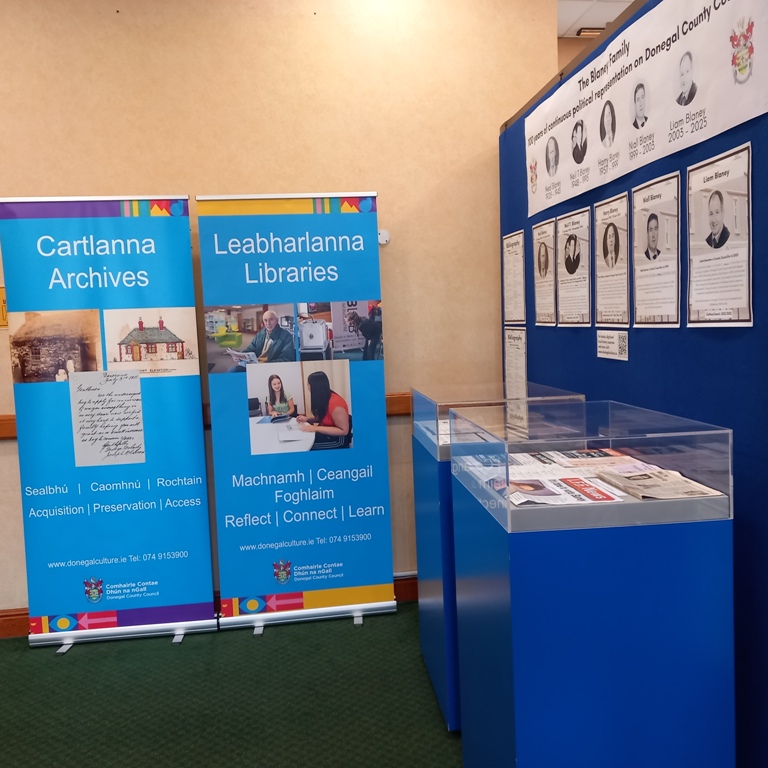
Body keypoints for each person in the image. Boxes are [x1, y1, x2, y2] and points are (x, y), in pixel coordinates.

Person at [297, 371, 351, 448]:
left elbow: (344, 431)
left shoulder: (336, 404)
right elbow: (324, 417)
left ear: (314, 386)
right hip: (325, 432)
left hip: (337, 440)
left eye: (308, 384)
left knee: (305, 446)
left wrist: (315, 428)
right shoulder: (323, 397)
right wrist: (308, 419)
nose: (307, 386)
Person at [228, 310, 295, 371]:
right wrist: (239, 355)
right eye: (265, 320)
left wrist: (266, 365)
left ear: (277, 320)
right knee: (233, 371)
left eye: (271, 320)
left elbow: (287, 359)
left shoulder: (286, 336)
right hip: (255, 365)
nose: (268, 323)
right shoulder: (260, 334)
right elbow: (251, 348)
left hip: (271, 368)